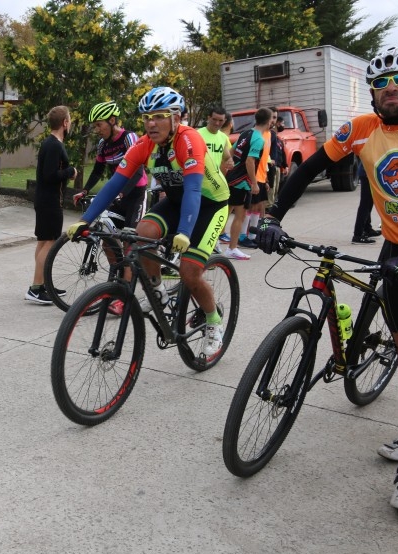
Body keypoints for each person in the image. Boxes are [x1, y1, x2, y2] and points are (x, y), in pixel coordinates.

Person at [256, 45, 398, 513]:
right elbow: (309, 168)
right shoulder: (362, 130)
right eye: (381, 85)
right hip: (397, 249)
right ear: (371, 93)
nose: (391, 90)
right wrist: (272, 216)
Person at [67, 86, 230, 359]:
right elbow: (113, 185)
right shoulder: (144, 145)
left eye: (159, 116)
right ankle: (158, 294)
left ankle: (213, 322)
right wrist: (85, 220)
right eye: (146, 117)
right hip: (177, 202)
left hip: (209, 205)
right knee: (143, 233)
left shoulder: (189, 141)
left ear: (176, 118)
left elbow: (192, 190)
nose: (151, 123)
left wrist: (185, 232)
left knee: (190, 272)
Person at [71, 100, 148, 314]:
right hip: (118, 195)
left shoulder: (129, 138)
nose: (96, 129)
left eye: (99, 125)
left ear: (112, 121)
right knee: (105, 238)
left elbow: (138, 170)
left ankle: (125, 296)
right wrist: (85, 190)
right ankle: (119, 278)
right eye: (95, 126)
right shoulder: (104, 145)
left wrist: (123, 192)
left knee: (128, 243)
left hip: (135, 194)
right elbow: (97, 171)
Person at [26, 105, 76, 304]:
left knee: (43, 242)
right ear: (64, 123)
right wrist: (70, 171)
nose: (70, 123)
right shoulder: (54, 145)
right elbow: (50, 175)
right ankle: (36, 289)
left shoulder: (50, 143)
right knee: (49, 243)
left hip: (46, 200)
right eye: (69, 120)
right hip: (50, 201)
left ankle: (44, 284)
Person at [223, 107, 271, 261]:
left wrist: (227, 168)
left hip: (232, 177)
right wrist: (255, 183)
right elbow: (250, 160)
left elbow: (231, 152)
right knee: (240, 215)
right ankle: (232, 248)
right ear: (269, 121)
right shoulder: (258, 138)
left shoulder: (246, 133)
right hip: (241, 181)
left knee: (224, 213)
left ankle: (214, 243)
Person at [351, 162, 382, 244]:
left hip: (369, 172)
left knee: (369, 202)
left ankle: (367, 228)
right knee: (365, 204)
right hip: (367, 173)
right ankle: (358, 235)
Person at [198, 106, 233, 175]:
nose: (217, 123)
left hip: (215, 181)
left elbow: (227, 158)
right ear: (209, 118)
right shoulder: (198, 134)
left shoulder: (223, 137)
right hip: (200, 180)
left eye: (220, 120)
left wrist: (230, 162)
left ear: (225, 120)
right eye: (214, 119)